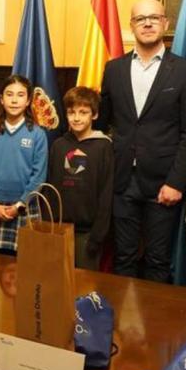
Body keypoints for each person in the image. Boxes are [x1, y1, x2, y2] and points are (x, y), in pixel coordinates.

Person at [99, 0, 186, 283]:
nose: (147, 23)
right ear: (131, 26)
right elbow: (103, 123)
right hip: (122, 181)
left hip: (163, 184)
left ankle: (156, 328)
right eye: (140, 18)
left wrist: (176, 183)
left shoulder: (185, 71)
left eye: (154, 17)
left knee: (158, 261)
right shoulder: (113, 69)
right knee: (124, 258)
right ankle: (121, 325)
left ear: (165, 24)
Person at [0, 75, 47, 254]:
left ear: (28, 100)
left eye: (20, 95)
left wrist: (19, 205)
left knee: (26, 266)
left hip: (24, 207)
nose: (14, 100)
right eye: (9, 94)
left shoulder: (37, 134)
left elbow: (38, 176)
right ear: (1, 99)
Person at [47, 86, 113, 270]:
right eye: (71, 112)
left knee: (85, 286)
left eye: (83, 112)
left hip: (88, 232)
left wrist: (98, 235)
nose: (76, 118)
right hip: (59, 228)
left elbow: (106, 193)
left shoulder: (103, 147)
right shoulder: (59, 145)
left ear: (95, 115)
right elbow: (50, 187)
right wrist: (49, 226)